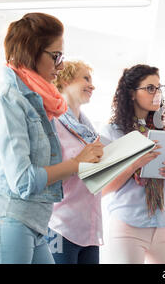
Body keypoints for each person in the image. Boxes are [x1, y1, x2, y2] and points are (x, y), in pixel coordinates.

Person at [0, 13, 104, 264]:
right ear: (31, 52)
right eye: (56, 56)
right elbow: (23, 180)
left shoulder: (40, 103)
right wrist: (77, 163)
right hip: (10, 220)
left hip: (35, 225)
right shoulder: (8, 99)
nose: (60, 66)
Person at [100, 64, 165, 264]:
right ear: (131, 94)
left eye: (159, 88)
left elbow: (163, 183)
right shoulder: (112, 133)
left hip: (163, 223)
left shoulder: (162, 132)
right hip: (128, 225)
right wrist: (133, 165)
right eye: (150, 88)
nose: (157, 94)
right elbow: (102, 188)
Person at [44, 60, 106, 264]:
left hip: (89, 228)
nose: (92, 85)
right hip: (60, 226)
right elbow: (47, 177)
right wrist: (79, 163)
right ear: (65, 80)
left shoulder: (88, 130)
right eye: (86, 78)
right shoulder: (52, 123)